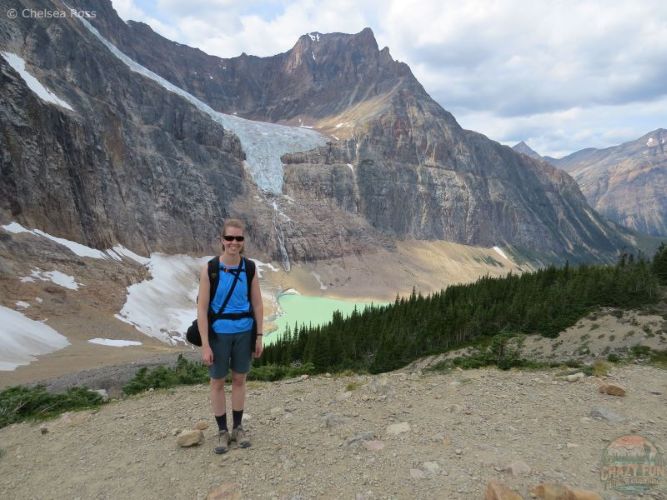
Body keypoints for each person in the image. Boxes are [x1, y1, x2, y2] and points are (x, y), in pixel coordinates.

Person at [197, 218, 264, 454]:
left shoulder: (249, 268)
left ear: (243, 241)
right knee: (217, 382)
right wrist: (205, 345)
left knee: (239, 380)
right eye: (229, 238)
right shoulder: (211, 269)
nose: (234, 242)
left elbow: (257, 303)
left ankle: (238, 428)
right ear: (222, 240)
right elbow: (202, 309)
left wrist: (259, 335)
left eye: (239, 238)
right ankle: (222, 431)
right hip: (218, 334)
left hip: (244, 332)